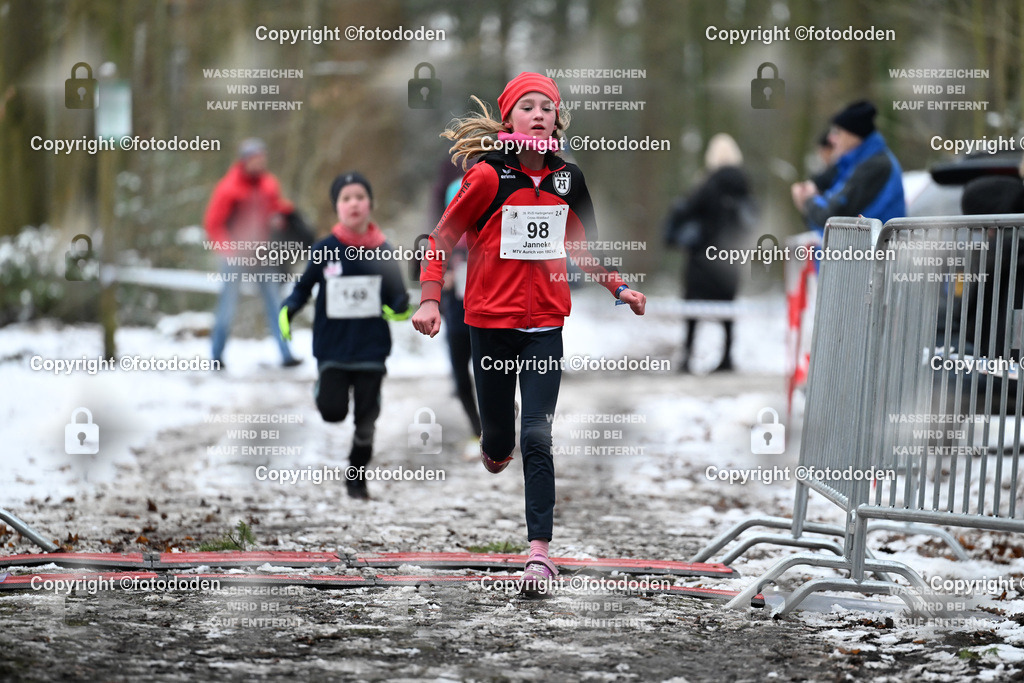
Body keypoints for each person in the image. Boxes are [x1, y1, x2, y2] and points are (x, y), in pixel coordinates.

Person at [410, 72, 647, 592]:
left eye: (547, 107)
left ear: (557, 119)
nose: (539, 114)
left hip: (545, 327)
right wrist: (431, 300)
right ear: (509, 120)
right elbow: (440, 238)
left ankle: (539, 552)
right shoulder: (488, 178)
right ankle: (496, 441)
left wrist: (618, 286)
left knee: (537, 436)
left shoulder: (570, 179)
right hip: (489, 326)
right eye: (528, 107)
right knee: (499, 443)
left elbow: (583, 247)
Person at [279, 172, 411, 499]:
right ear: (337, 207)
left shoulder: (383, 251)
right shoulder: (325, 249)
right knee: (332, 412)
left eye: (360, 197)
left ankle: (356, 476)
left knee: (366, 420)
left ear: (370, 204)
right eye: (346, 198)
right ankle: (323, 389)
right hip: (332, 348)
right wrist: (288, 309)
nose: (354, 204)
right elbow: (302, 288)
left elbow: (398, 296)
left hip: (371, 349)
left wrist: (399, 309)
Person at [205, 138, 301, 369]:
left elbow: (275, 208)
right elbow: (213, 224)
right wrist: (229, 250)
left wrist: (289, 216)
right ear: (245, 161)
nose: (259, 163)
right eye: (255, 159)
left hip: (264, 254)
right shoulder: (228, 188)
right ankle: (216, 356)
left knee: (276, 305)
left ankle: (286, 354)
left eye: (262, 159)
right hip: (235, 257)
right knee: (227, 306)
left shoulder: (269, 184)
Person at [663, 133, 754, 373]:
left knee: (692, 309)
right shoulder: (743, 185)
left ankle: (687, 357)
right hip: (730, 258)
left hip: (702, 257)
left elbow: (688, 209)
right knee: (727, 309)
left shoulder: (707, 183)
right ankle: (726, 357)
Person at [791, 100, 905, 233]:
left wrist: (807, 201)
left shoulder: (875, 166)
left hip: (876, 250)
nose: (831, 138)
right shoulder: (856, 163)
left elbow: (833, 218)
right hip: (862, 248)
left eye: (837, 132)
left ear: (853, 135)